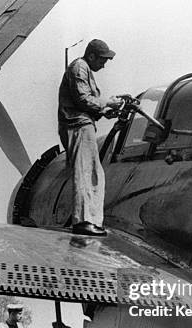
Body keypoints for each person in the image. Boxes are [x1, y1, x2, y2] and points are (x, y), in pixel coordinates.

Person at [58, 38, 123, 237]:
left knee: (94, 173)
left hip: (83, 124)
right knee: (86, 172)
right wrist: (108, 103)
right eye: (102, 60)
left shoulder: (85, 69)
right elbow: (84, 99)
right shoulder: (80, 67)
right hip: (78, 126)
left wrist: (105, 109)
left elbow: (86, 103)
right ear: (92, 56)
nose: (104, 65)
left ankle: (90, 220)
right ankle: (84, 221)